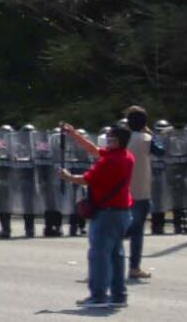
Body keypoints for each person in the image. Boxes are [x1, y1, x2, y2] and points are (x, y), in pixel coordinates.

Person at [62, 121, 135, 308]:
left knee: (99, 255)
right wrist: (74, 134)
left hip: (106, 213)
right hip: (122, 212)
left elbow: (86, 179)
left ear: (120, 141)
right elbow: (94, 150)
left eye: (112, 139)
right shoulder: (126, 156)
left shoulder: (109, 161)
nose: (108, 141)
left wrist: (67, 176)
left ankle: (98, 295)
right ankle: (119, 295)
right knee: (116, 255)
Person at [123, 106, 158, 285]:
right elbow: (161, 150)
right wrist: (150, 132)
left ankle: (106, 262)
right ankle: (134, 267)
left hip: (122, 190)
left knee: (119, 228)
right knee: (137, 231)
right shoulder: (147, 138)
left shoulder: (122, 138)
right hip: (141, 191)